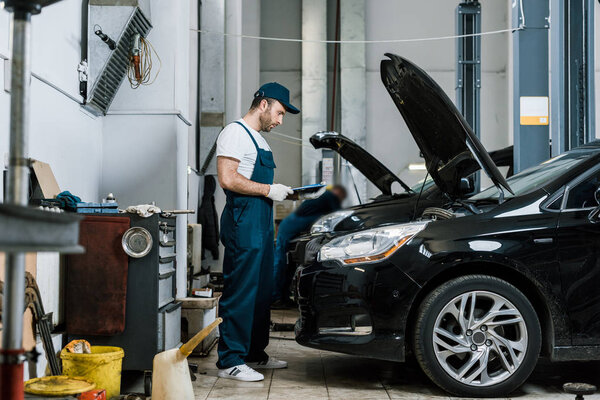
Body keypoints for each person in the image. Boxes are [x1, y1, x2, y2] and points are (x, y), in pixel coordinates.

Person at [215, 82, 299, 382]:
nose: (280, 120)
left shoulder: (259, 140)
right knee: (241, 290)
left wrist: (284, 193)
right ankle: (230, 360)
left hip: (261, 222)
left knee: (262, 290)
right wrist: (268, 189)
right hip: (244, 222)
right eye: (279, 112)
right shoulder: (235, 133)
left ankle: (253, 354)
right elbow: (227, 178)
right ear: (263, 104)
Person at [272, 185, 347, 306]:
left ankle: (283, 297)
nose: (342, 199)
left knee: (288, 265)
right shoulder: (330, 196)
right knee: (281, 263)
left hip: (291, 225)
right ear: (338, 192)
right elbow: (338, 215)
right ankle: (275, 298)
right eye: (342, 196)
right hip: (292, 226)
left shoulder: (324, 198)